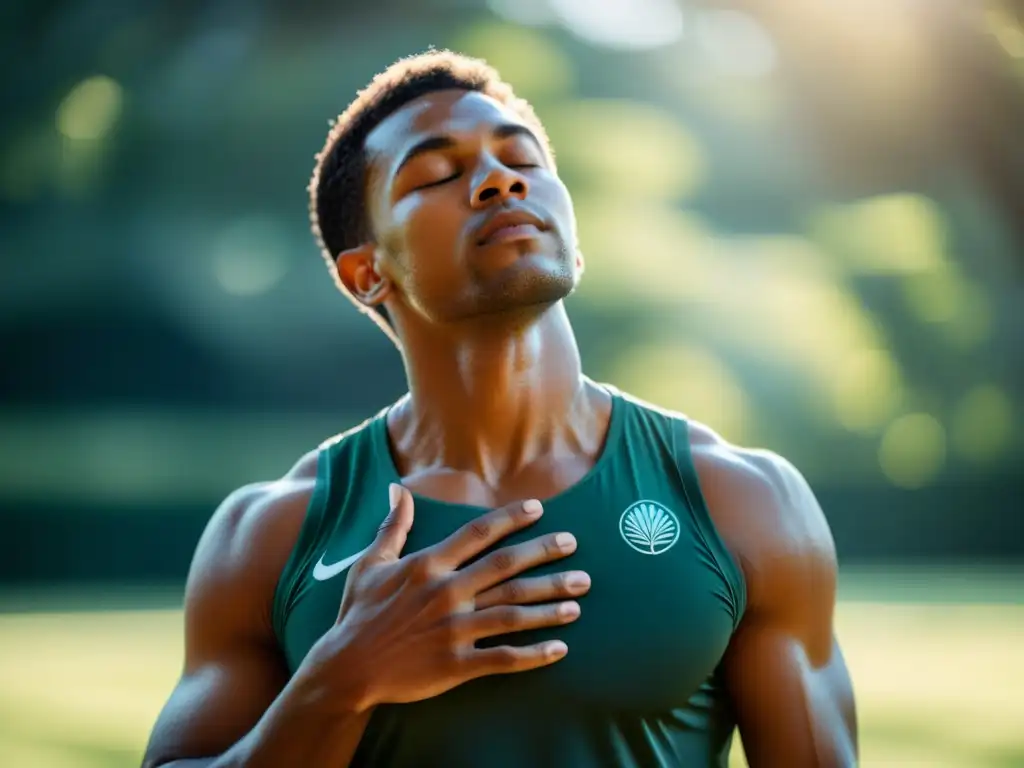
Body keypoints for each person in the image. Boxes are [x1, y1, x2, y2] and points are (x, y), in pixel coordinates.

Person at [142, 50, 858, 768]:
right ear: (367, 273)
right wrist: (341, 680)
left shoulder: (745, 500)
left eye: (524, 161)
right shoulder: (270, 532)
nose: (500, 180)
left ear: (574, 244)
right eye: (439, 174)